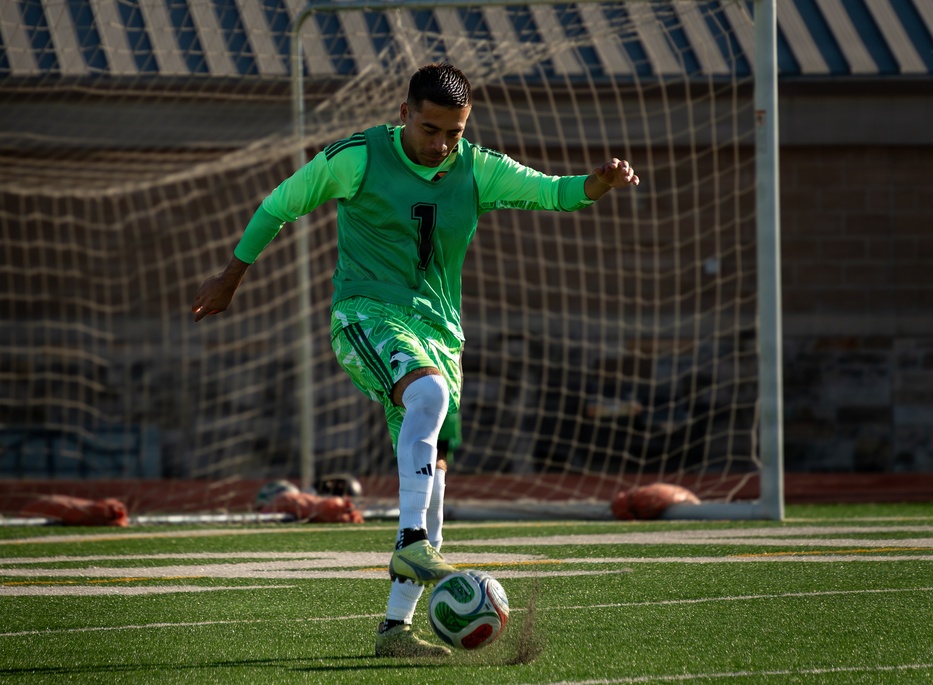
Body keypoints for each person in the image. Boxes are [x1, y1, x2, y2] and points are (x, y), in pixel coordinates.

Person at [192, 63, 639, 657]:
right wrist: (231, 276)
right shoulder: (357, 158)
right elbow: (279, 205)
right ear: (404, 114)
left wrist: (598, 182)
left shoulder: (475, 167)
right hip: (366, 314)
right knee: (429, 399)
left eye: (454, 132)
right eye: (431, 129)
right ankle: (407, 540)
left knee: (434, 493)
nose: (442, 144)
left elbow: (555, 193)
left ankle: (395, 630)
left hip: (440, 336)